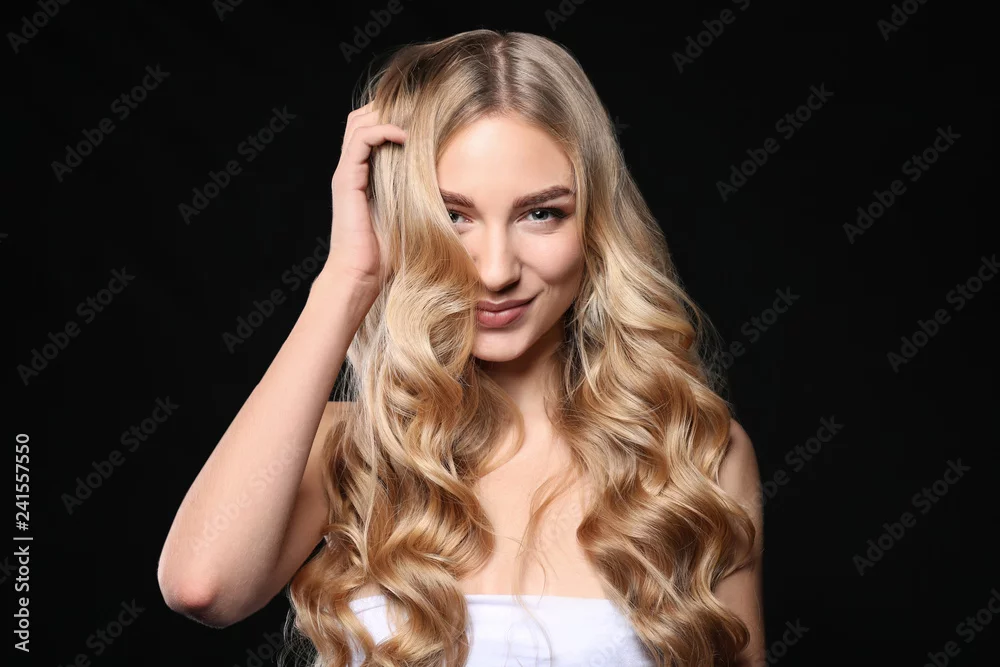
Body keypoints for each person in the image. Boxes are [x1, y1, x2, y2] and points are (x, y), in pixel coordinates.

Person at [157, 29, 765, 667]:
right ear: (402, 220)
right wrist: (347, 280)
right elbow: (203, 587)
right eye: (453, 216)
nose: (496, 270)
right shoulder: (352, 450)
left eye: (541, 213)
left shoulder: (692, 452)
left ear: (595, 225)